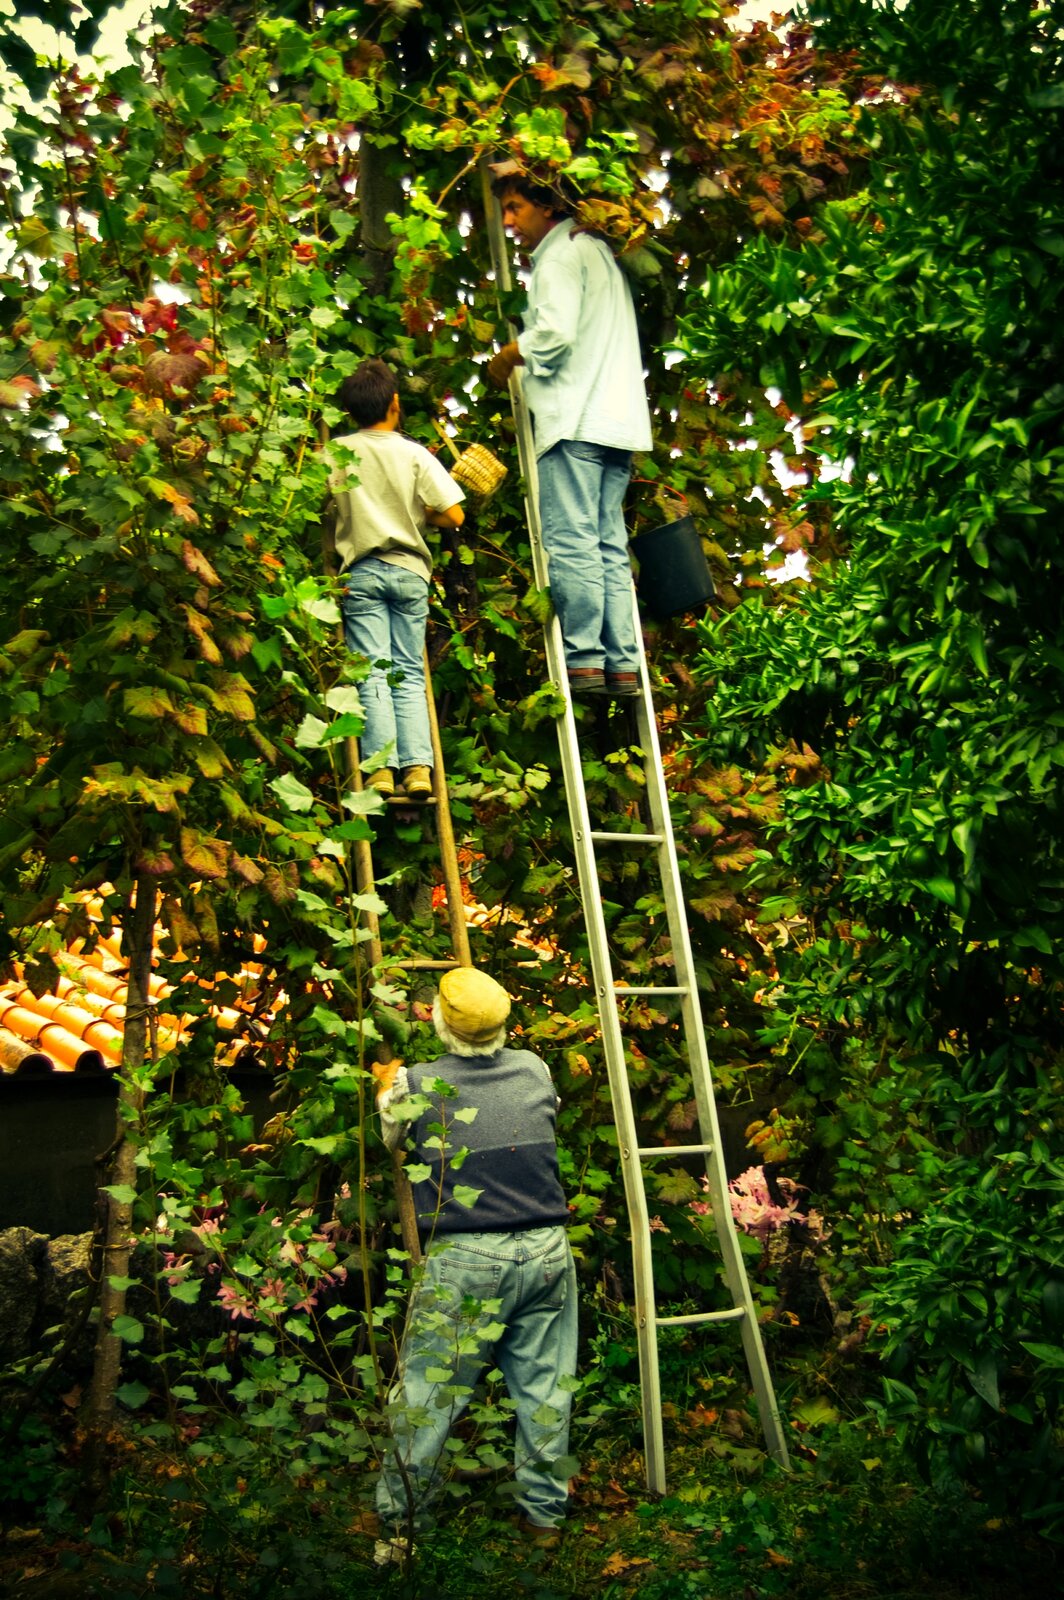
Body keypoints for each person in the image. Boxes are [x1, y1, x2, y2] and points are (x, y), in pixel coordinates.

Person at [373, 967, 577, 1561]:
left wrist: (387, 1087)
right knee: (547, 1390)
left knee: (430, 1393)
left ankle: (401, 1529)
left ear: (438, 1020)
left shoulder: (420, 1081)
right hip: (546, 1248)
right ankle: (544, 1519)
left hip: (467, 1255)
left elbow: (392, 1138)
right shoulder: (536, 1068)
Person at [486, 173, 653, 698]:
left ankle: (583, 658)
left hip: (576, 418)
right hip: (615, 419)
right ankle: (622, 663)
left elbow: (553, 336)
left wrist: (511, 354)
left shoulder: (559, 258)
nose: (509, 223)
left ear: (546, 205)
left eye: (515, 208)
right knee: (607, 542)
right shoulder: (598, 251)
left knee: (574, 541)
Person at [325, 359, 465, 799]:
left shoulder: (335, 454)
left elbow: (321, 512)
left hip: (362, 572)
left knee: (372, 674)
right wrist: (416, 511)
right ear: (395, 404)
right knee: (407, 672)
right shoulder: (413, 453)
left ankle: (381, 770)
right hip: (409, 573)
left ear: (350, 413)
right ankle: (419, 769)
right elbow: (454, 514)